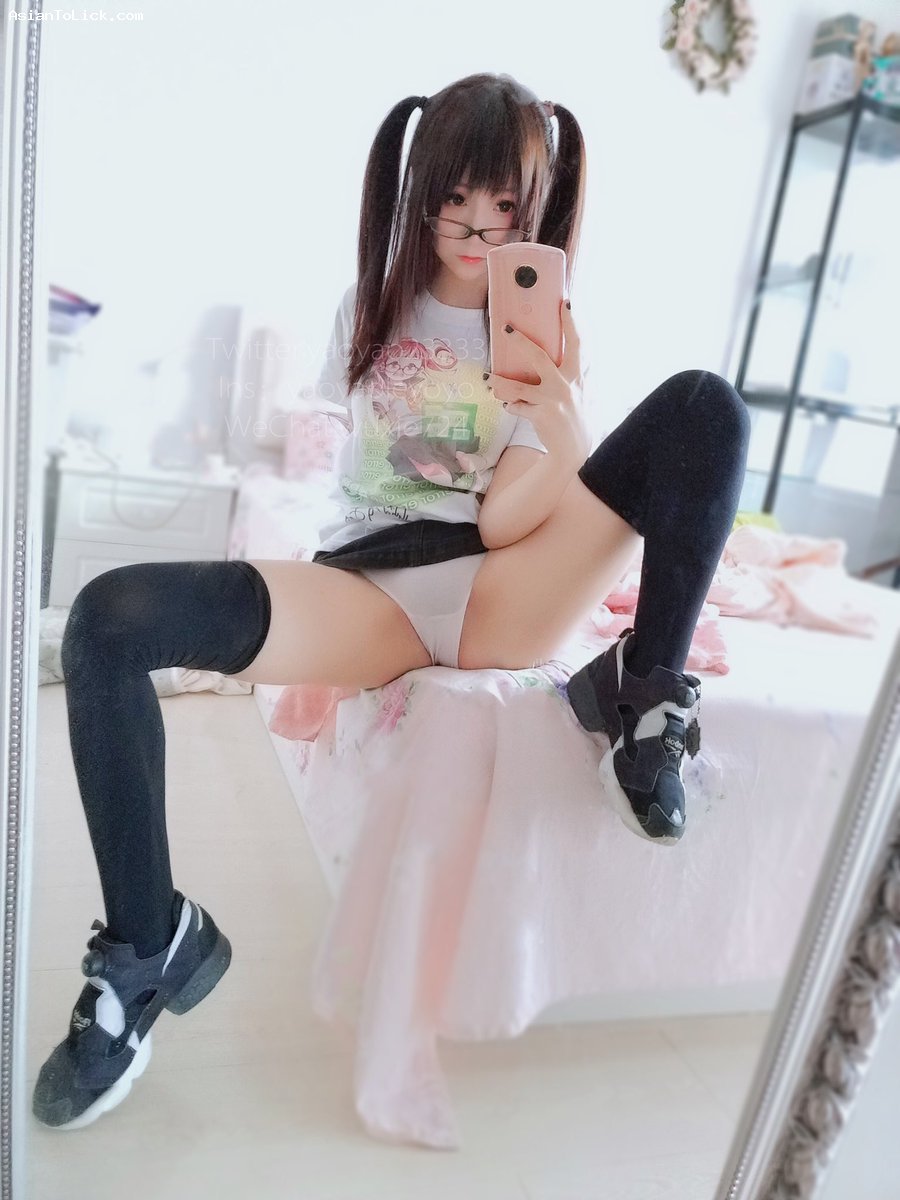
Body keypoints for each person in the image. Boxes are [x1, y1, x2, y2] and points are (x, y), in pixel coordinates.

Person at [33, 72, 750, 1131]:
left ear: (535, 209)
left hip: (500, 583)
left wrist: (564, 419)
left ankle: (645, 701)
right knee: (107, 620)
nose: (476, 227)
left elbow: (504, 523)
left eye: (503, 206)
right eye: (454, 198)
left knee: (705, 407)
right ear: (420, 193)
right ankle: (151, 942)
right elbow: (371, 487)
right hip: (366, 587)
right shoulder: (368, 306)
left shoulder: (546, 328)